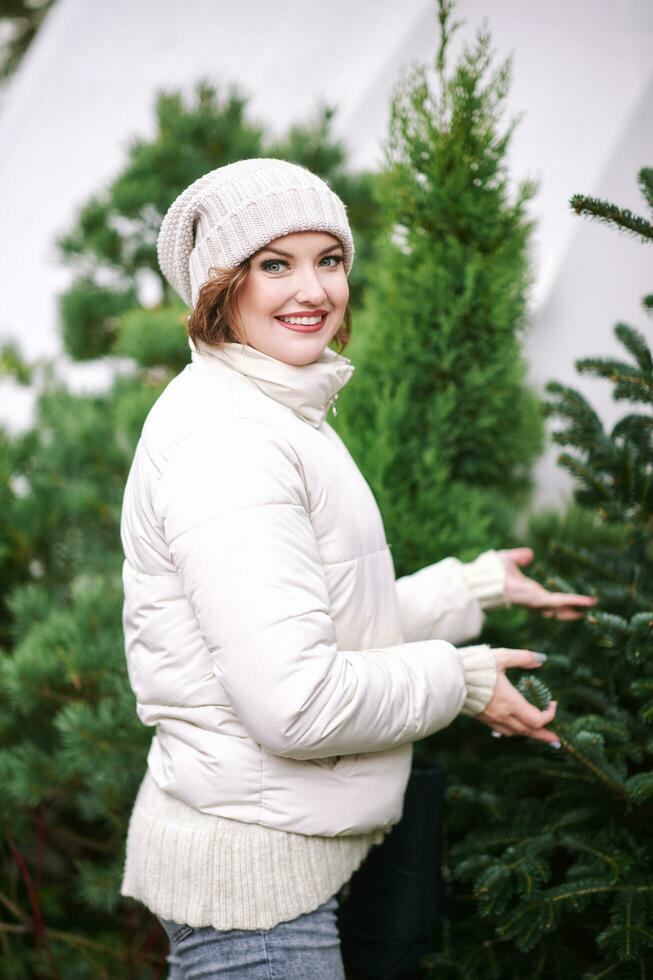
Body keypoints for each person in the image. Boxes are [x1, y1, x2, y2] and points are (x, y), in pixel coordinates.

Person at [119, 158, 595, 980]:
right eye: (274, 264)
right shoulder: (232, 441)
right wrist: (461, 681)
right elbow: (296, 704)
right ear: (219, 287)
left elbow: (307, 623)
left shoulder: (272, 406)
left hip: (277, 857)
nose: (312, 289)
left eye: (328, 259)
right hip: (256, 900)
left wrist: (467, 590)